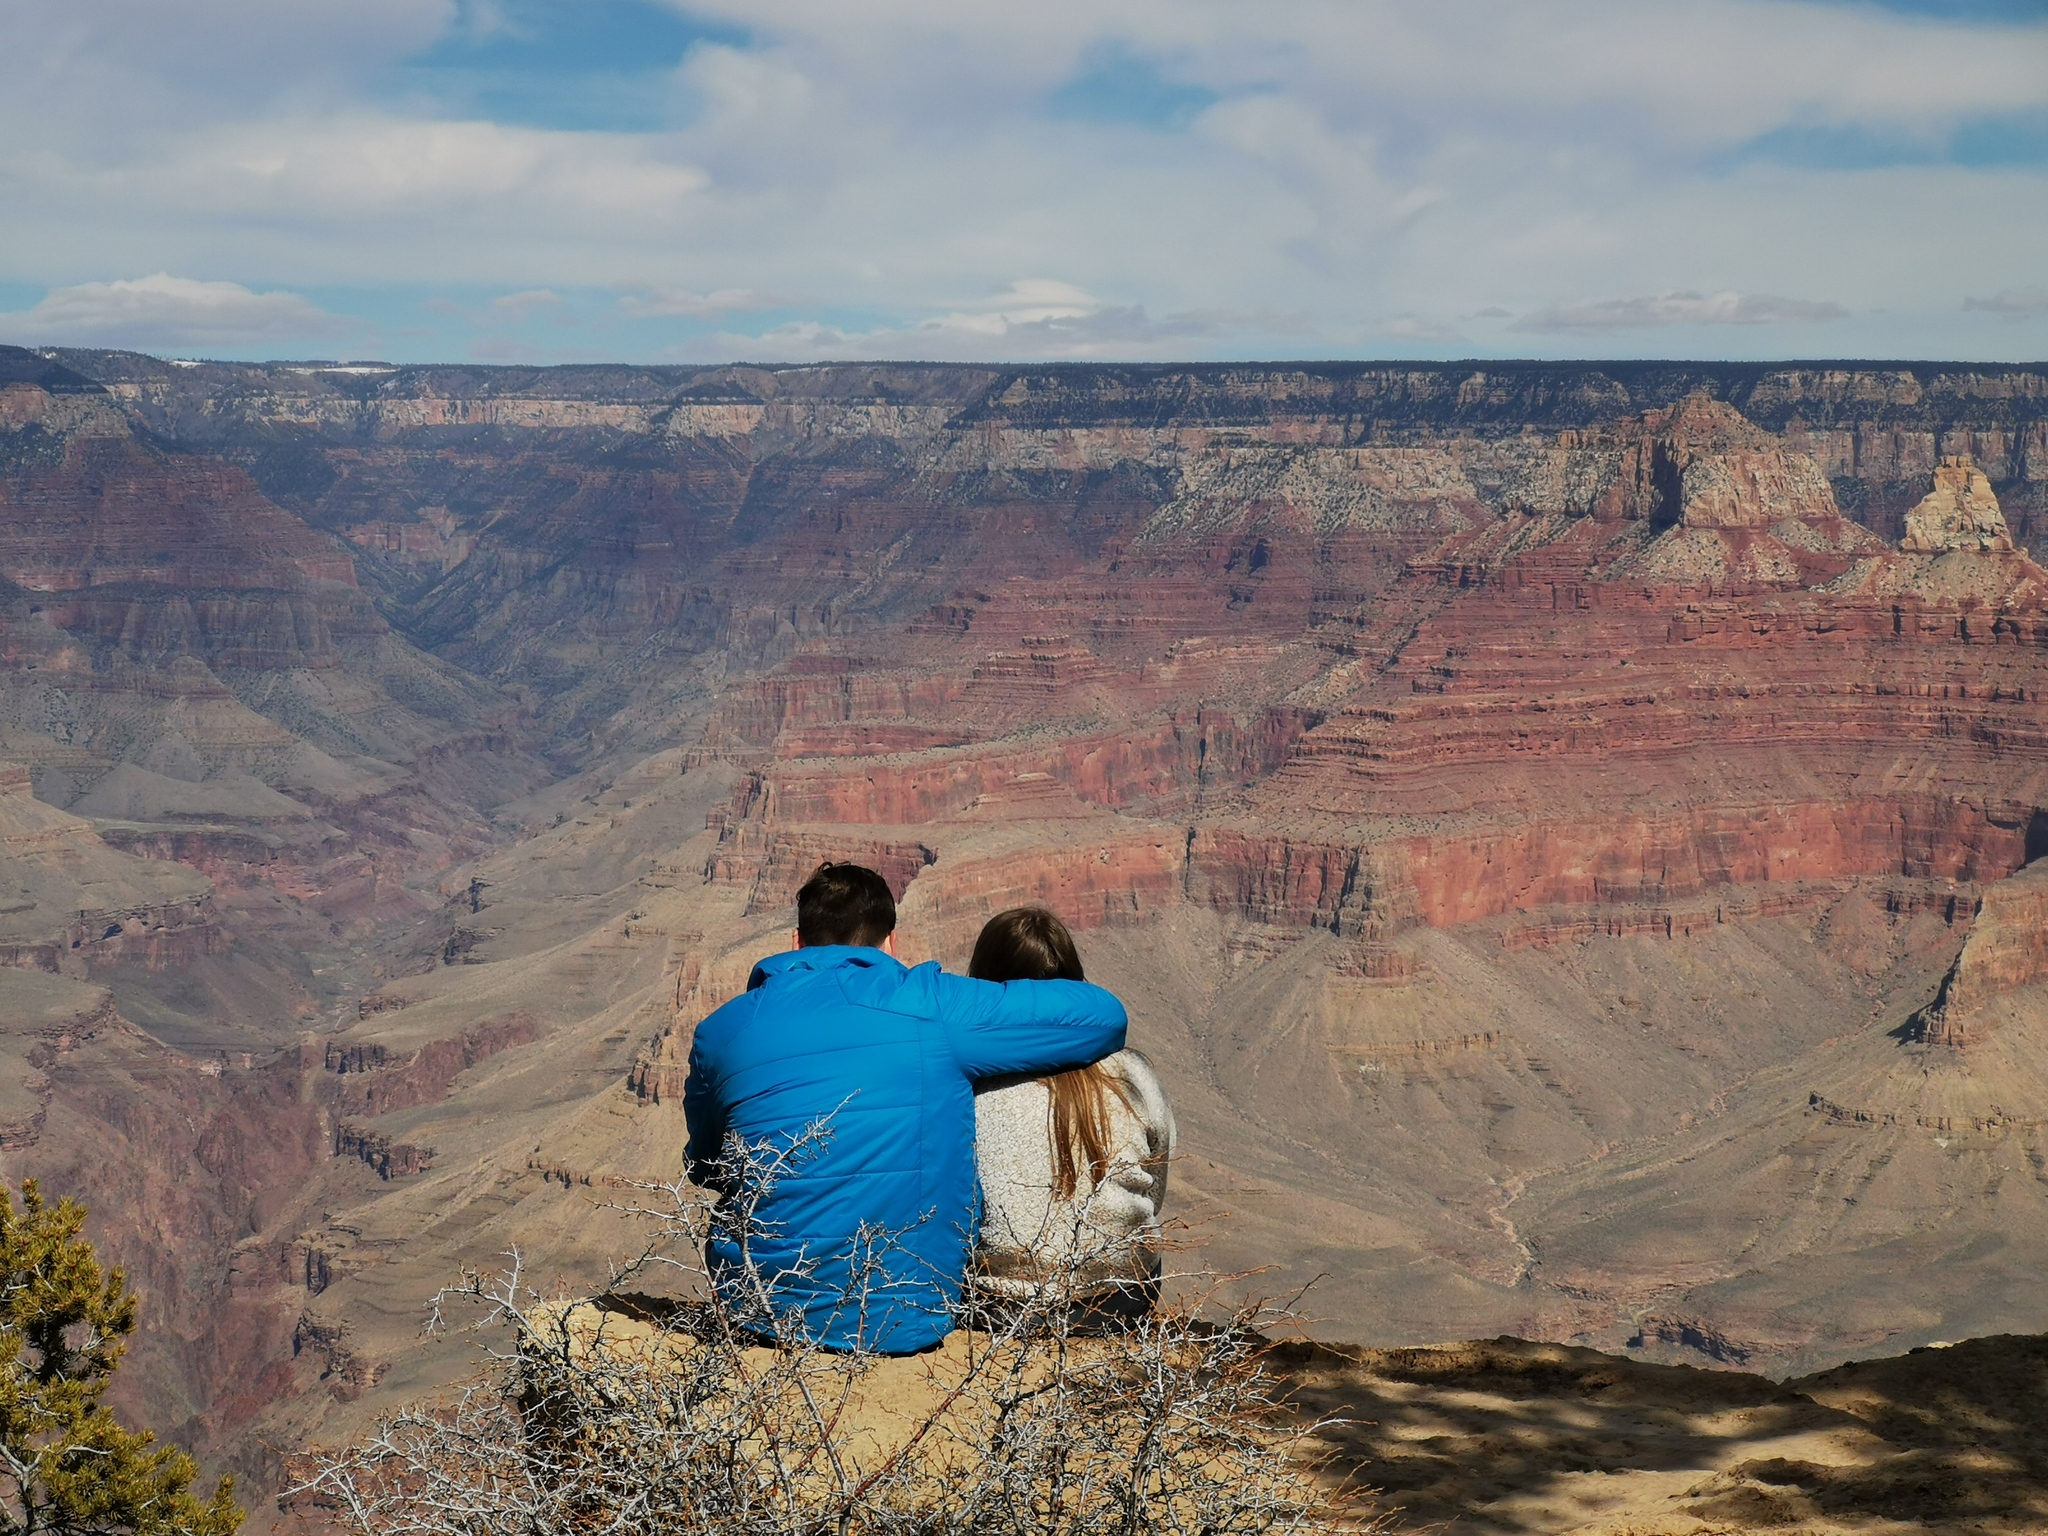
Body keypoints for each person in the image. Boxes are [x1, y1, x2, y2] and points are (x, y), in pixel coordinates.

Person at [682, 863, 1127, 1355]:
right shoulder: (932, 1005)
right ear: (889, 943)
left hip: (758, 1313)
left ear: (795, 942)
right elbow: (1104, 1016)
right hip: (903, 1319)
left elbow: (705, 1164)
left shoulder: (720, 1032)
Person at [966, 906, 1176, 1328]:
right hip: (1118, 1298)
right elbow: (1154, 1184)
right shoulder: (1130, 1070)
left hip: (997, 1307)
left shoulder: (962, 1081)